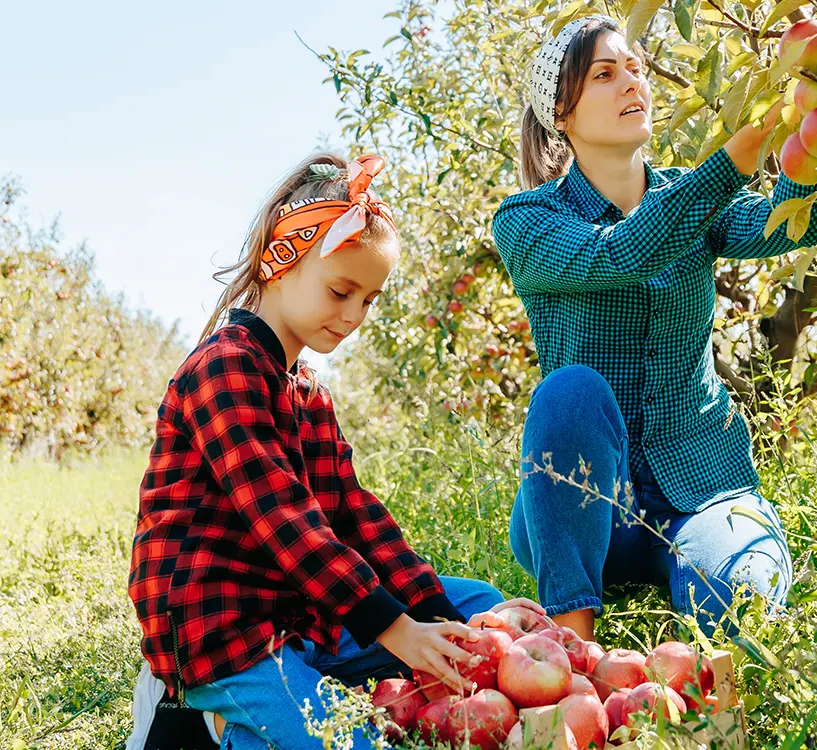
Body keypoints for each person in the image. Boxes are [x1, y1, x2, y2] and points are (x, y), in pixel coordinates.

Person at [128, 152, 542, 749]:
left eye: (368, 300)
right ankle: (203, 721)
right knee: (349, 743)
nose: (352, 316)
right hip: (225, 632)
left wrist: (427, 613)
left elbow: (354, 515)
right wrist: (393, 628)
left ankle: (278, 705)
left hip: (301, 614)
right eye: (340, 290)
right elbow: (285, 521)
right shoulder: (226, 369)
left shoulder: (308, 393)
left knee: (475, 606)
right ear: (281, 261)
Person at [493, 16, 817, 640]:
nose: (632, 83)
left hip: (702, 491)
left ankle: (719, 699)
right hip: (589, 508)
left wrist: (815, 135)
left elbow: (793, 226)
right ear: (561, 116)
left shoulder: (689, 198)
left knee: (742, 595)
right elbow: (621, 252)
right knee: (570, 390)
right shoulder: (526, 220)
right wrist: (730, 161)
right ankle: (571, 649)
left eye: (636, 69)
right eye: (605, 73)